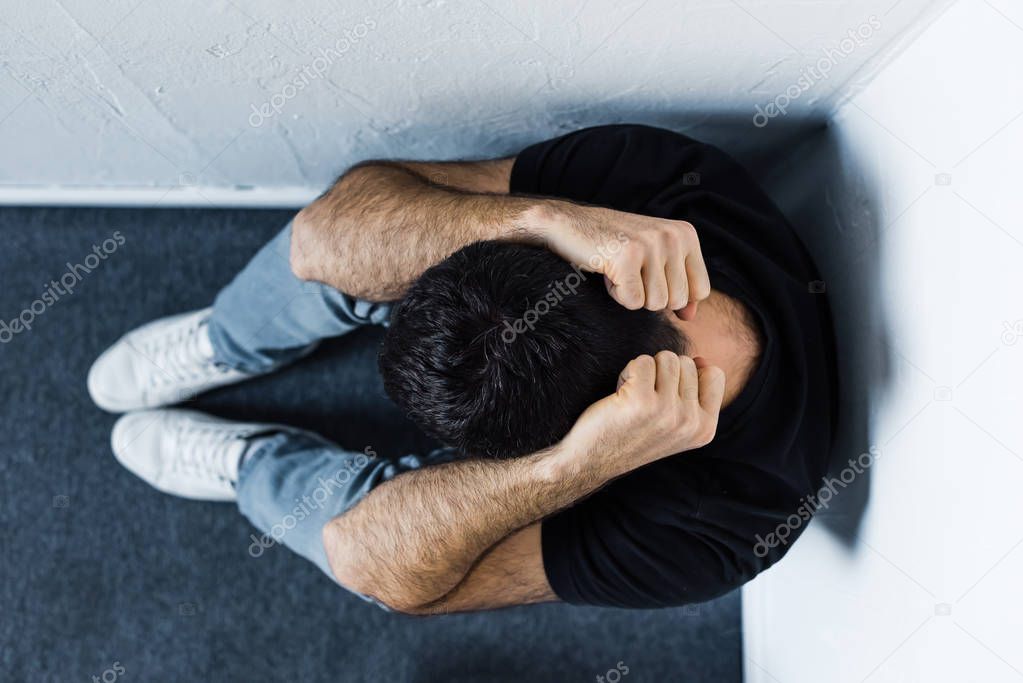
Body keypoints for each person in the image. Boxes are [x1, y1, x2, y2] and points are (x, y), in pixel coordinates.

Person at [88, 124, 836, 613]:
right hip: (544, 263)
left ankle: (252, 465)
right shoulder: (667, 186)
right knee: (334, 258)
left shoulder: (728, 526)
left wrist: (558, 474)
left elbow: (380, 570)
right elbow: (322, 237)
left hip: (553, 465)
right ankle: (228, 341)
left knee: (368, 542)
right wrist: (538, 219)